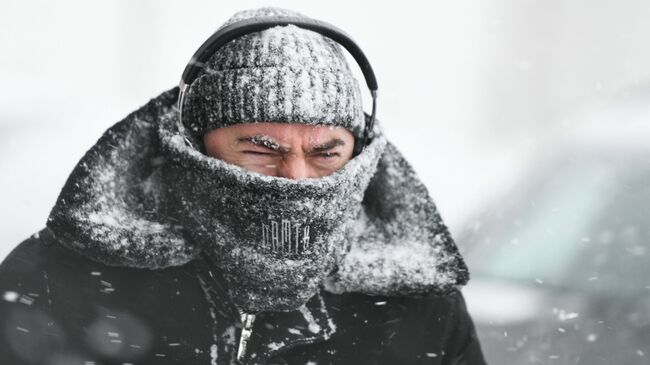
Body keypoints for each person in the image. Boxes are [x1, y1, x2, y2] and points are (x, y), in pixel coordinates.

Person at [0, 7, 486, 365]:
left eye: (326, 154)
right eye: (260, 149)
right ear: (193, 143)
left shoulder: (416, 305)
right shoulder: (56, 279)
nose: (296, 178)